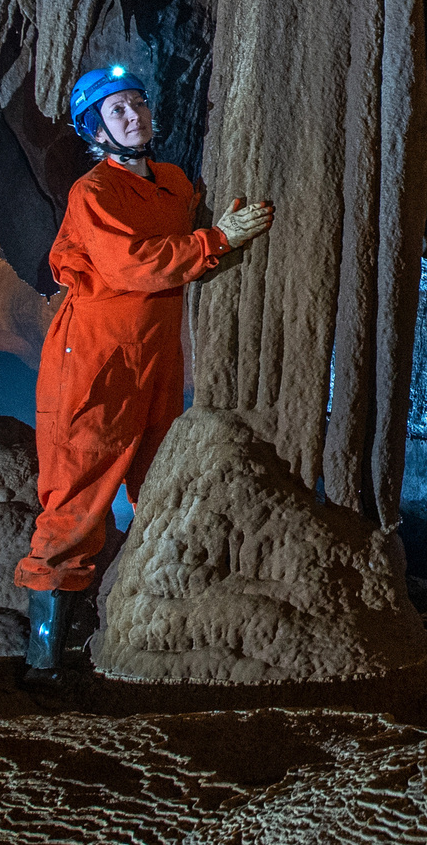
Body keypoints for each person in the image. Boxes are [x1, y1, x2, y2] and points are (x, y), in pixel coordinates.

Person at [14, 64, 271, 677]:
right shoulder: (93, 193)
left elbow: (185, 261)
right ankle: (46, 659)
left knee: (160, 480)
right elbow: (134, 265)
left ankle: (145, 624)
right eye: (118, 110)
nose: (135, 116)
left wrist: (216, 235)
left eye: (138, 104)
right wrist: (216, 241)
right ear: (94, 128)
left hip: (157, 356)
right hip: (94, 360)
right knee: (78, 491)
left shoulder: (175, 184)